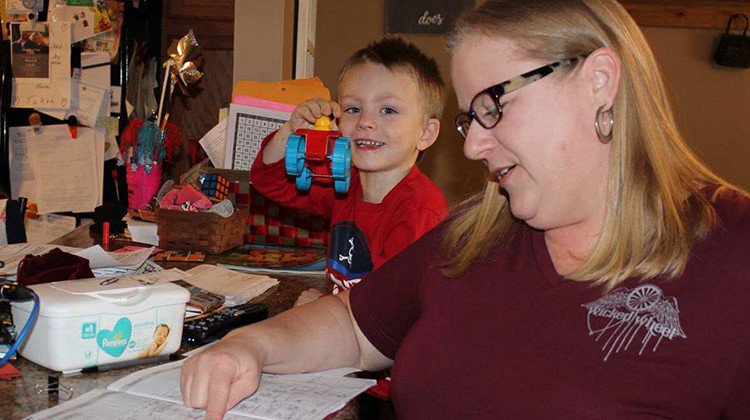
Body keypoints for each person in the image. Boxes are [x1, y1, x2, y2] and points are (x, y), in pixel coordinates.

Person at [181, 1, 750, 418]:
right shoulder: (479, 232)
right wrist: (247, 346)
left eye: (493, 106)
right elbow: (355, 323)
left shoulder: (736, 259)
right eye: (468, 119)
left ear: (599, 82)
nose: (474, 145)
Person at [249, 36, 448, 306]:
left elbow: (391, 307)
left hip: (381, 340)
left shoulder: (420, 209)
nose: (366, 121)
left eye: (388, 110)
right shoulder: (344, 183)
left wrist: (321, 309)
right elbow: (268, 180)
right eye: (353, 109)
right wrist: (292, 131)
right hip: (346, 325)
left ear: (426, 133)